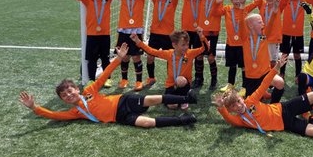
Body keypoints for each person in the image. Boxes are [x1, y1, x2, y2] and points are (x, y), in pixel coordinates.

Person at [19, 44, 196, 128]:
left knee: (153, 99)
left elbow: (103, 77)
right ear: (63, 100)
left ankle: (186, 98)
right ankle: (183, 120)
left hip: (122, 102)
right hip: (119, 117)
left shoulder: (89, 91)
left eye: (69, 90)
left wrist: (118, 59)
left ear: (77, 89)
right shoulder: (75, 112)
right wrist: (35, 107)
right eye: (64, 96)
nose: (68, 95)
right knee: (147, 123)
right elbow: (55, 115)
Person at [212, 57, 313, 138]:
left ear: (242, 99)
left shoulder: (251, 100)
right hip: (286, 124)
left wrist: (275, 69)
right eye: (233, 106)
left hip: (284, 108)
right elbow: (229, 119)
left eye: (238, 101)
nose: (238, 106)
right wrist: (221, 107)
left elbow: (264, 84)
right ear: (231, 110)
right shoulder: (240, 120)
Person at [131, 28, 209, 107]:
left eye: (187, 44)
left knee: (180, 80)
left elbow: (205, 49)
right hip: (171, 85)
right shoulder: (169, 54)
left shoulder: (190, 53)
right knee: (173, 106)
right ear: (174, 45)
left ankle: (184, 97)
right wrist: (138, 41)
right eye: (183, 45)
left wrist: (201, 36)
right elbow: (152, 51)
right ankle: (183, 98)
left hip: (184, 84)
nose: (186, 47)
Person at [102, 0, 147, 90]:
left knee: (136, 57)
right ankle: (124, 79)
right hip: (123, 32)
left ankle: (139, 81)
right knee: (125, 57)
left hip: (136, 32)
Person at [136, 0, 181, 87]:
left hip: (168, 36)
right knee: (150, 57)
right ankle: (151, 78)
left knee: (170, 59)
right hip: (155, 34)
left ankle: (171, 79)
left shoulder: (173, 2)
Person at [71, 0, 114, 86]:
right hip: (92, 36)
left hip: (105, 35)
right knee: (92, 60)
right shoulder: (88, 0)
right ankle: (91, 80)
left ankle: (107, 78)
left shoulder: (107, 0)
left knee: (105, 59)